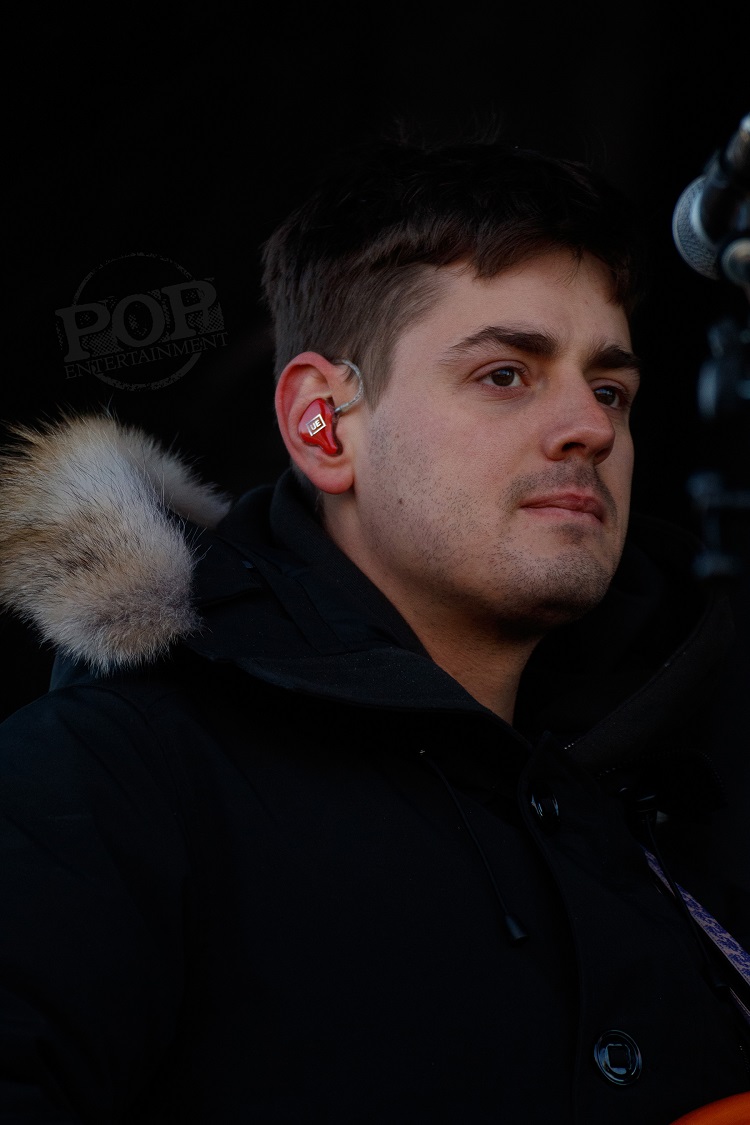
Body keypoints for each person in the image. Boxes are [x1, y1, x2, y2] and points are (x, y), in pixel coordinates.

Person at [0, 131, 748, 1125]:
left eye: (610, 388)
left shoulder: (699, 771)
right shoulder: (105, 780)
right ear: (324, 424)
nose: (593, 426)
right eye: (506, 374)